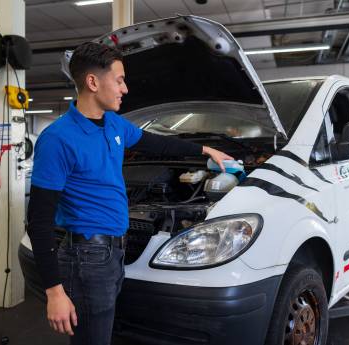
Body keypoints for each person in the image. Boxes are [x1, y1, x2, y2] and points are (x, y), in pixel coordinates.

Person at [27, 42, 234, 345]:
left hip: (114, 253)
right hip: (87, 258)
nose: (125, 88)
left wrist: (204, 149)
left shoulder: (114, 124)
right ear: (93, 82)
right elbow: (39, 220)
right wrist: (55, 292)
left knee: (106, 332)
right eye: (120, 80)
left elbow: (157, 143)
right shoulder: (58, 140)